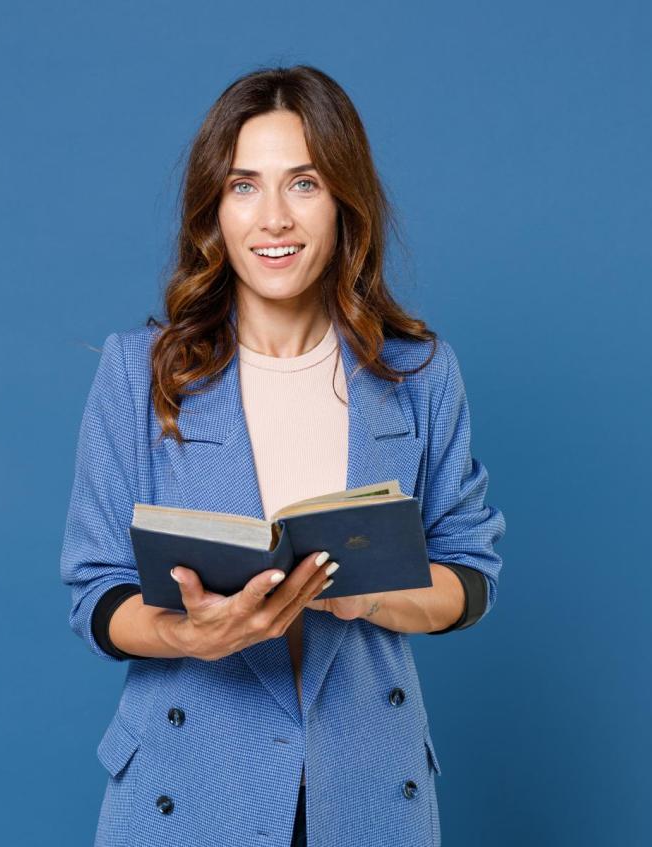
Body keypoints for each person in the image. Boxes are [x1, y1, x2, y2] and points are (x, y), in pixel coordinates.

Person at [60, 65, 505, 847]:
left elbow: (469, 576)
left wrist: (366, 596)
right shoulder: (140, 371)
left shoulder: (420, 375)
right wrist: (188, 635)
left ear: (343, 201)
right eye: (243, 186)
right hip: (189, 779)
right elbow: (96, 590)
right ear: (215, 209)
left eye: (302, 183)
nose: (273, 219)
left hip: (366, 783)